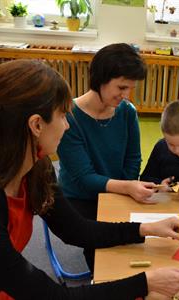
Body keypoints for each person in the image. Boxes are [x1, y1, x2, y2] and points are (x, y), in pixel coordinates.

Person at [0, 59, 179, 299]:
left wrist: (146, 229)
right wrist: (145, 283)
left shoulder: (36, 166)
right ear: (36, 124)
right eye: (63, 115)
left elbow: (77, 230)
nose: (67, 126)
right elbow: (52, 297)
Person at [57, 43, 157, 271]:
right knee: (102, 249)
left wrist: (127, 187)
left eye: (130, 88)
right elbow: (84, 178)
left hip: (119, 190)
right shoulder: (69, 118)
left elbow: (133, 159)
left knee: (140, 242)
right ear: (100, 79)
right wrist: (127, 188)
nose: (126, 95)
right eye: (121, 87)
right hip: (80, 198)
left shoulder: (127, 112)